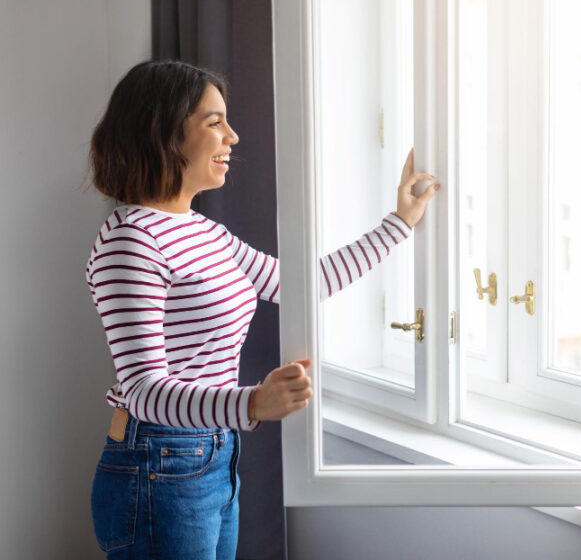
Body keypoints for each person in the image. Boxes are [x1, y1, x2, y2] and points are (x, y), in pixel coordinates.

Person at [86, 59, 438, 559]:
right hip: (160, 460)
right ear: (163, 132)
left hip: (213, 452)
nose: (232, 136)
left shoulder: (204, 232)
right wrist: (252, 404)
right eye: (214, 122)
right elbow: (142, 392)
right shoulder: (130, 241)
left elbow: (302, 284)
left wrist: (399, 222)